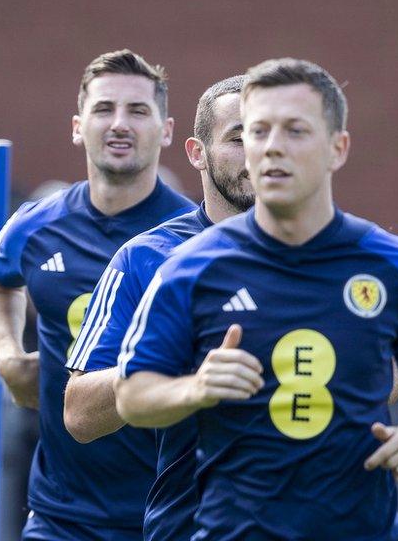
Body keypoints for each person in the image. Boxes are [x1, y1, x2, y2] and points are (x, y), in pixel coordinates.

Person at [114, 58, 398, 539]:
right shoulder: (190, 268)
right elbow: (131, 394)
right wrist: (195, 388)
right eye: (256, 132)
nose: (270, 148)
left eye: (295, 132)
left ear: (338, 148)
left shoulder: (396, 266)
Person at [0, 49, 194, 540]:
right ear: (78, 127)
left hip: (170, 515)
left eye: (138, 111)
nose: (120, 124)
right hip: (60, 516)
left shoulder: (195, 239)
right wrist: (8, 355)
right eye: (103, 109)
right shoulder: (38, 223)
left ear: (168, 130)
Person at [64, 74, 251, 540]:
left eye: (273, 135)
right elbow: (79, 413)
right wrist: (177, 366)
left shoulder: (339, 252)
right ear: (197, 153)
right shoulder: (147, 258)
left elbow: (393, 376)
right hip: (194, 525)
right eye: (239, 137)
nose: (259, 152)